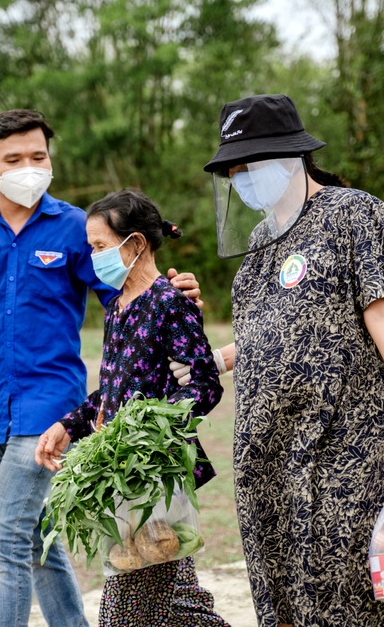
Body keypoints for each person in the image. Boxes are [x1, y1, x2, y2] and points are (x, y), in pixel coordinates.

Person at [0, 109, 202, 627]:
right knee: (36, 540)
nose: (29, 166)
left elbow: (129, 288)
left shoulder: (77, 227)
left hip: (54, 406)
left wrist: (175, 291)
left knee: (4, 535)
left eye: (39, 156)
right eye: (15, 159)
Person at [196, 93, 384, 627]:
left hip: (346, 442)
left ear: (293, 156)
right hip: (267, 450)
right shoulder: (261, 241)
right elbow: (280, 329)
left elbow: (382, 312)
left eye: (251, 166)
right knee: (282, 585)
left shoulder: (353, 213)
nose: (242, 180)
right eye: (233, 170)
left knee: (353, 581)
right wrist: (219, 357)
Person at [34, 189, 231, 627]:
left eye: (101, 246)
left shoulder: (169, 303)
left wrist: (139, 437)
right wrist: (68, 426)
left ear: (136, 243)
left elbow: (202, 387)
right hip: (123, 483)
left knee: (127, 611)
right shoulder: (119, 307)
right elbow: (112, 390)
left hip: (149, 479)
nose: (94, 256)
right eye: (91, 247)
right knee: (178, 606)